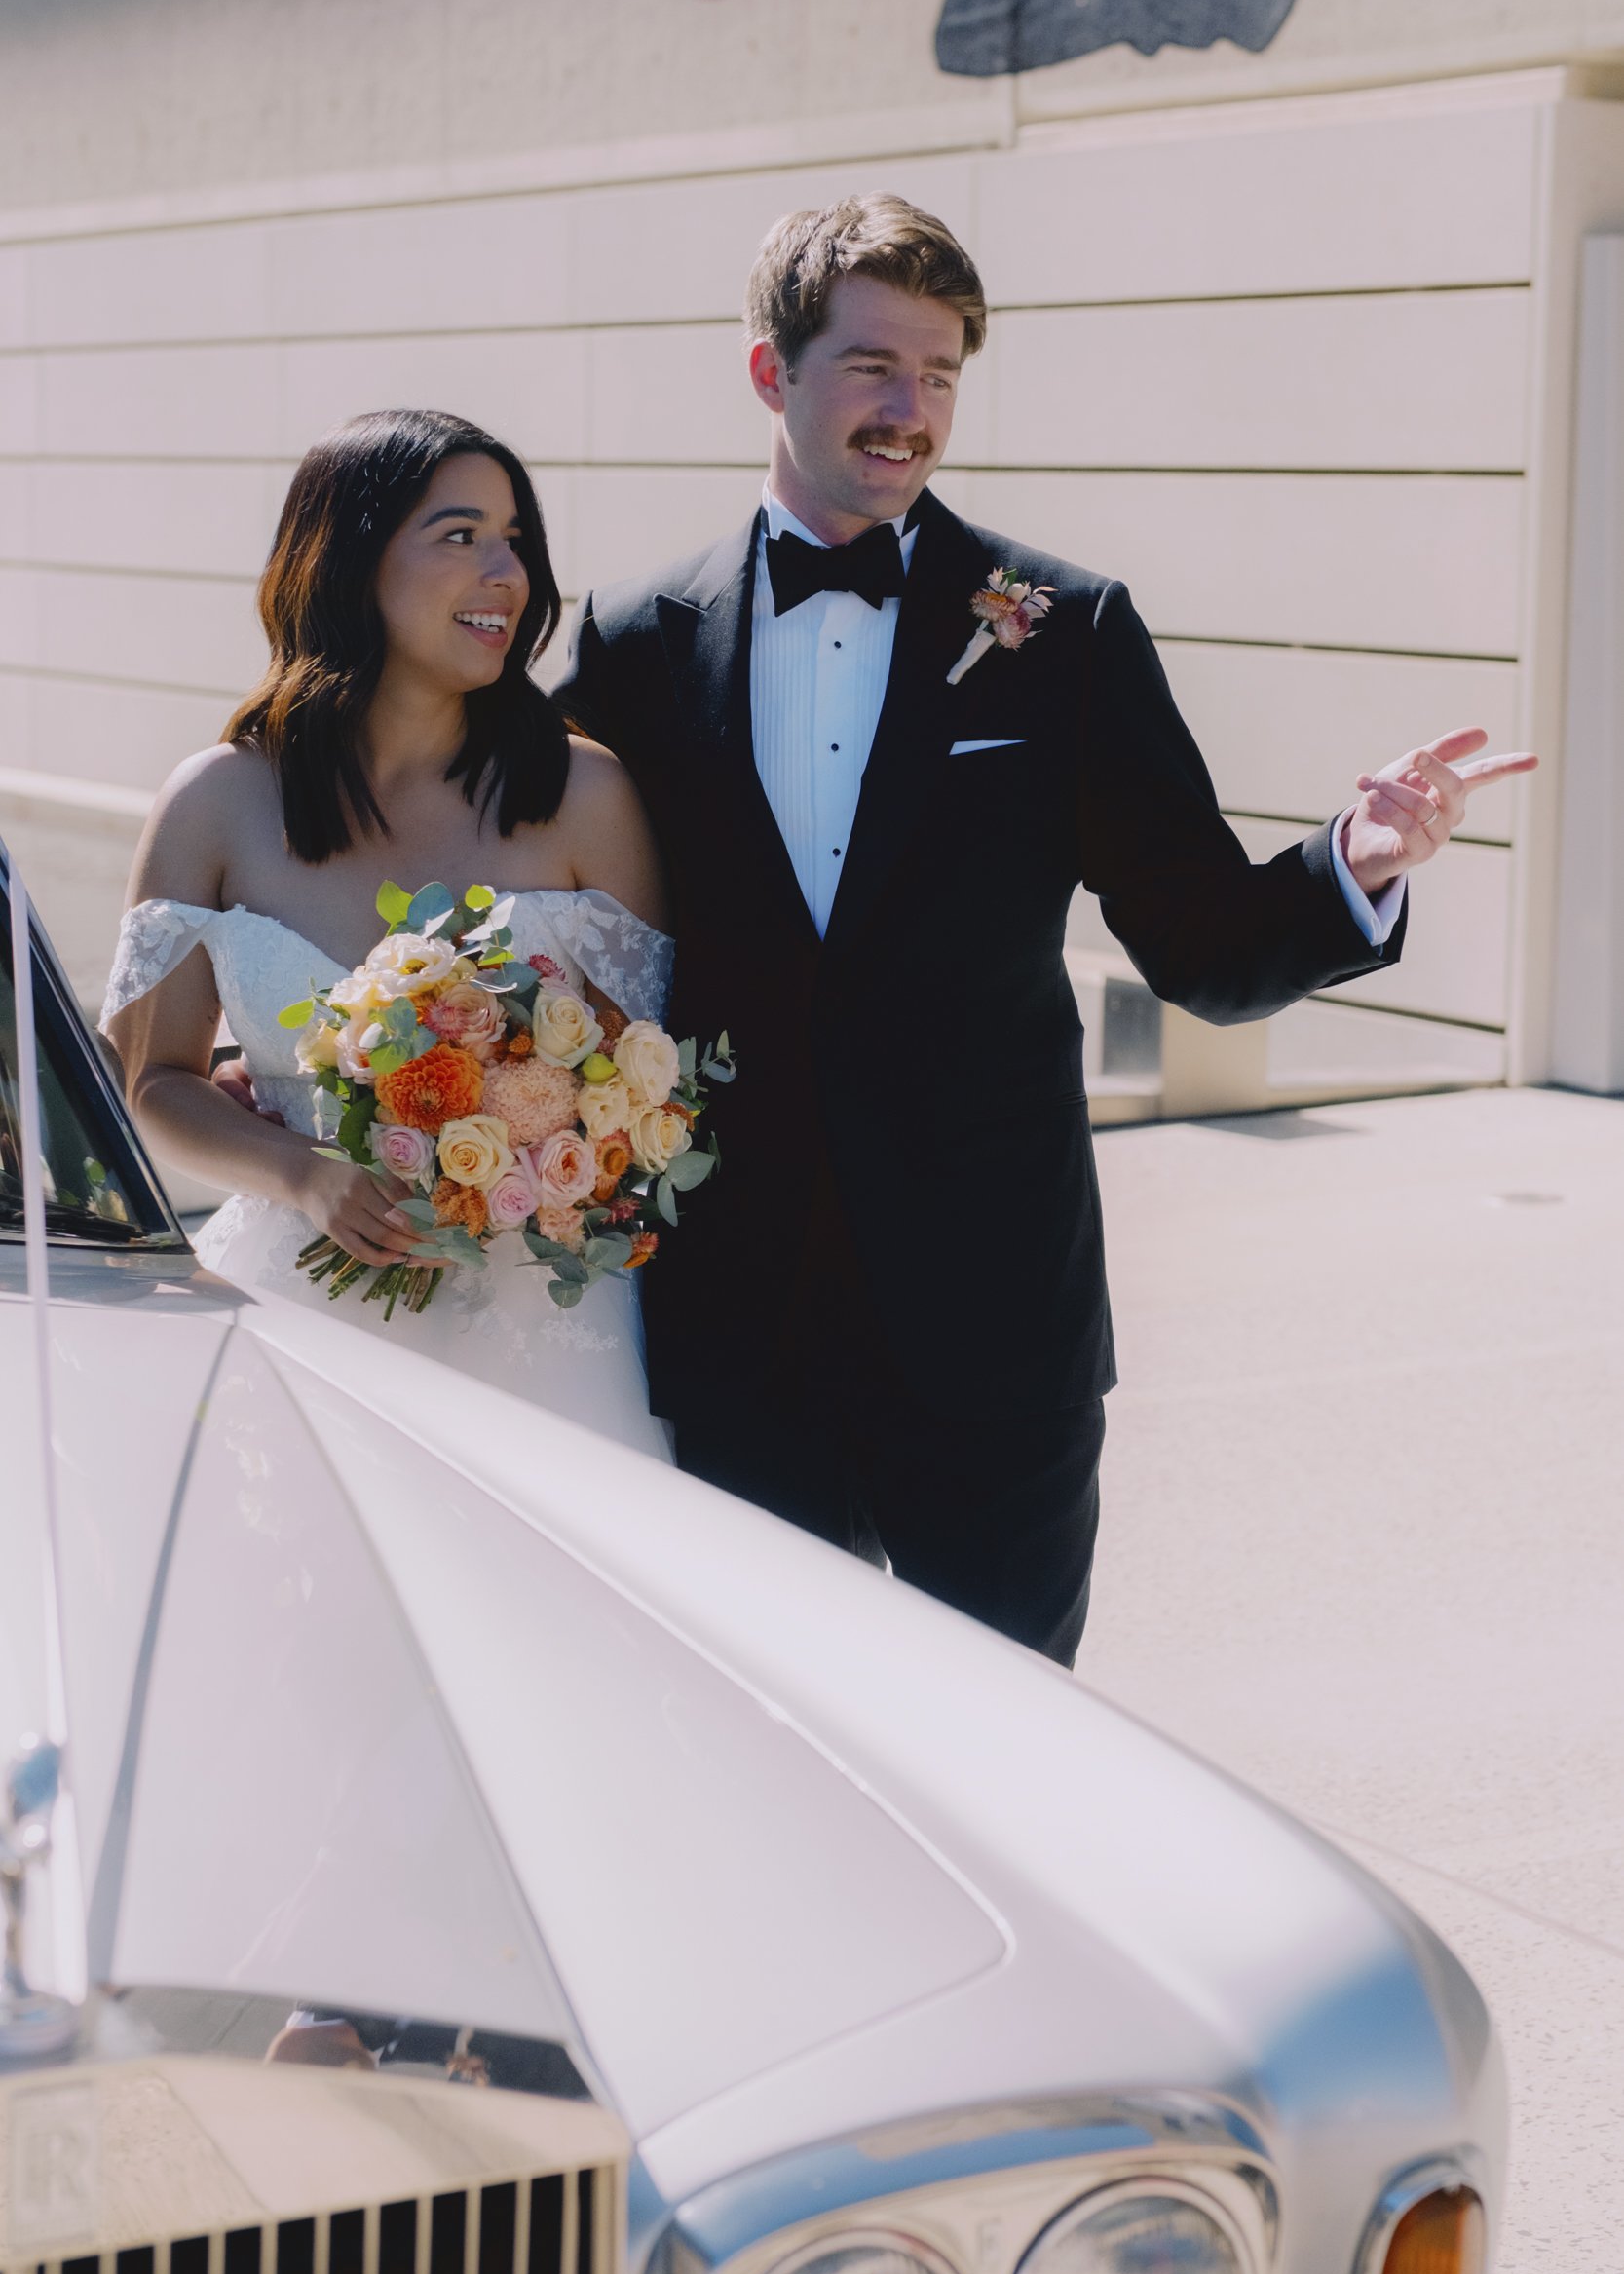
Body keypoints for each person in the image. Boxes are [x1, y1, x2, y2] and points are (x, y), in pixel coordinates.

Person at [555, 192, 1536, 1663]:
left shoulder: (1062, 629)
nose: (912, 410)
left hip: (990, 1328)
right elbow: (554, 926)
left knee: (1014, 1765)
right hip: (733, 1319)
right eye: (875, 366)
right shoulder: (631, 639)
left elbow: (1202, 947)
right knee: (762, 1751)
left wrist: (1356, 862)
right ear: (769, 370)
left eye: (942, 372)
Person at [101, 407, 673, 1459]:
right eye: (459, 535)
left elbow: (646, 1084)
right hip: (298, 1320)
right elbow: (155, 1087)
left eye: (514, 539)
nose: (505, 571)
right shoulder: (213, 805)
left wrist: (526, 1134)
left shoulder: (584, 792)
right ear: (347, 559)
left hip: (546, 1343)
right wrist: (305, 1174)